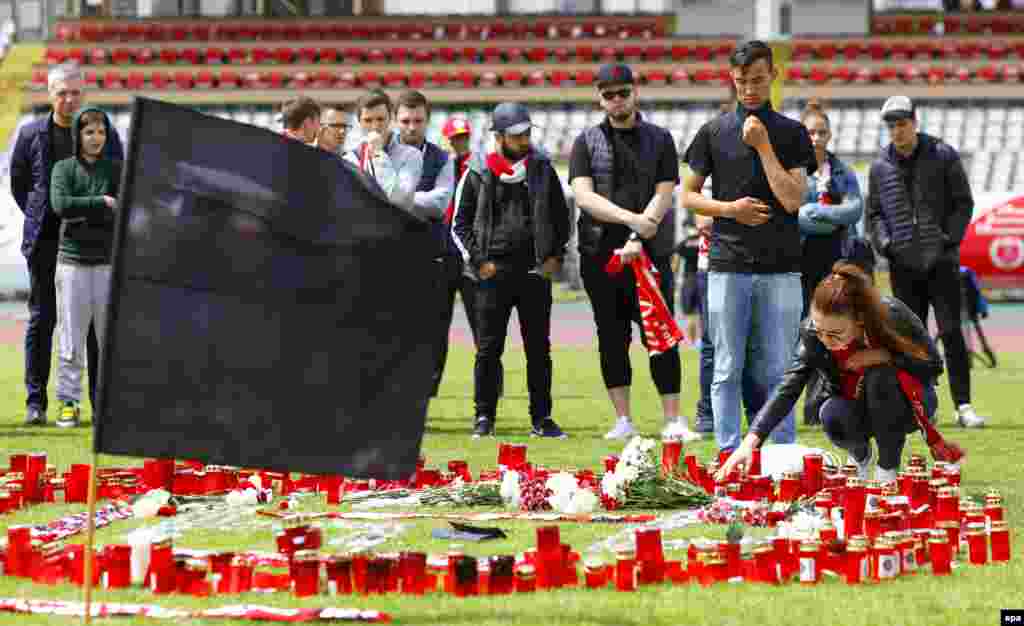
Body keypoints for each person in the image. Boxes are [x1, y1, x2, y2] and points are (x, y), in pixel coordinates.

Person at [681, 40, 816, 454]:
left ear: (773, 76)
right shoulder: (713, 131)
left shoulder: (791, 133)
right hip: (727, 265)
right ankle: (727, 454)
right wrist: (729, 209)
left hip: (781, 268)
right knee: (726, 367)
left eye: (757, 80)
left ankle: (784, 455)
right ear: (731, 79)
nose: (750, 89)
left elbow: (793, 200)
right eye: (742, 82)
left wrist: (762, 146)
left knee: (780, 369)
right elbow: (688, 197)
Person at [716, 262, 964, 484]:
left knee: (880, 376)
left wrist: (884, 356)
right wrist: (750, 442)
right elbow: (789, 387)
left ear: (860, 320)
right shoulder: (813, 334)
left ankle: (887, 469)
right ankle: (861, 457)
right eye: (819, 329)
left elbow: (933, 365)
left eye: (835, 334)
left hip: (907, 404)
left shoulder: (892, 315)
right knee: (830, 412)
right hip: (854, 406)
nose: (825, 340)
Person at [569, 63, 697, 442]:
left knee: (660, 334)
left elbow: (664, 192)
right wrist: (632, 221)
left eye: (622, 92)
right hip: (599, 256)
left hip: (650, 255)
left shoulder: (659, 139)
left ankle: (673, 419)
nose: (616, 100)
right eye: (608, 95)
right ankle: (623, 419)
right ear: (599, 98)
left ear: (634, 91)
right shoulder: (585, 141)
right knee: (611, 337)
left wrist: (640, 234)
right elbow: (584, 195)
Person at [10, 63, 122, 426]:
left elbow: (118, 179)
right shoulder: (30, 135)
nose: (69, 99)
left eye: (75, 92)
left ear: (84, 94)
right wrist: (42, 215)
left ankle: (99, 402)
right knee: (43, 319)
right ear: (49, 94)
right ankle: (35, 402)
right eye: (62, 92)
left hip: (94, 243)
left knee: (95, 326)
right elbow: (20, 183)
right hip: (44, 241)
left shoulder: (104, 133)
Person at [451, 102, 571, 439]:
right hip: (491, 274)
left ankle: (542, 418)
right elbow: (458, 225)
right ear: (500, 136)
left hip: (534, 273)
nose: (524, 140)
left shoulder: (543, 167)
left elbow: (561, 218)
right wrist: (479, 263)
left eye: (527, 133)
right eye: (517, 135)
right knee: (488, 349)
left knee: (539, 350)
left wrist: (554, 257)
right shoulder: (477, 170)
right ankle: (484, 417)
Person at [866, 95, 983, 428]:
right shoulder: (879, 165)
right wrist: (886, 245)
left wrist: (948, 240)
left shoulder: (942, 155)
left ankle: (964, 406)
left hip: (942, 263)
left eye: (902, 123)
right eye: (891, 125)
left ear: (915, 122)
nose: (897, 131)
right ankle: (919, 407)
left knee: (951, 333)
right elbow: (873, 214)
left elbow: (964, 202)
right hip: (903, 265)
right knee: (909, 340)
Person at [49, 108, 121, 427]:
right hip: (72, 265)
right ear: (78, 135)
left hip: (108, 265)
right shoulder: (63, 169)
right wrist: (101, 203)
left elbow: (123, 209)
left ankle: (110, 405)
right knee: (70, 338)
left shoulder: (117, 169)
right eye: (89, 132)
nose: (96, 138)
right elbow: (61, 205)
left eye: (101, 132)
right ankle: (69, 402)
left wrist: (86, 208)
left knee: (111, 340)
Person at [432, 115, 504, 399]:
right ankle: (430, 387)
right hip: (443, 255)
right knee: (437, 328)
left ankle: (492, 387)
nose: (459, 142)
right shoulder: (439, 166)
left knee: (484, 327)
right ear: (446, 139)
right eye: (454, 138)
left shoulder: (482, 167)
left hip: (472, 254)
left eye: (463, 137)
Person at [798, 100, 864, 317]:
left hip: (837, 257)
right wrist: (836, 216)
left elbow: (854, 209)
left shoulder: (842, 171)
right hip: (800, 258)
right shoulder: (792, 171)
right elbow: (792, 214)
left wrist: (816, 212)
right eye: (810, 132)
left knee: (835, 317)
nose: (816, 138)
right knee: (803, 321)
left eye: (822, 132)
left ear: (830, 135)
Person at [344, 89, 424, 210]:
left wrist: (378, 155)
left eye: (380, 119)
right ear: (359, 122)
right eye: (368, 120)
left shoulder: (411, 155)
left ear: (390, 118)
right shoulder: (349, 158)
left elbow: (399, 199)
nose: (375, 126)